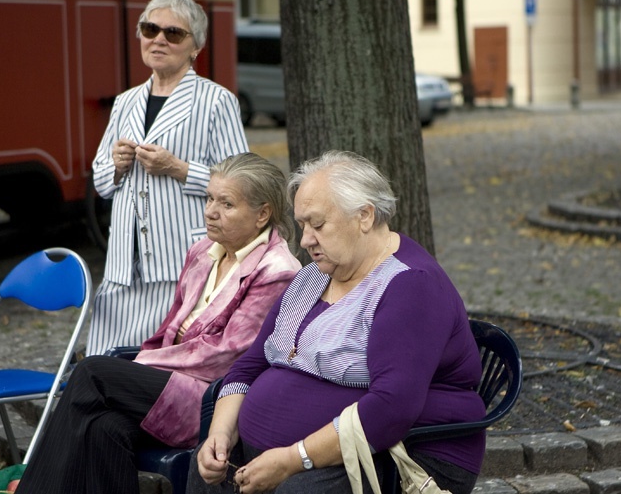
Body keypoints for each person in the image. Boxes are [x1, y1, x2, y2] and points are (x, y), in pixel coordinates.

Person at [188, 150, 486, 494]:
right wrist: (220, 435)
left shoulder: (409, 285)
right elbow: (250, 365)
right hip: (295, 455)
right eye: (302, 225)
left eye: (317, 224)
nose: (305, 240)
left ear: (364, 216)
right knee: (206, 470)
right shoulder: (313, 277)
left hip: (401, 455)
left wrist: (290, 459)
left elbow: (391, 408)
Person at [14, 153, 301, 494]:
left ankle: (33, 488)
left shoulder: (277, 270)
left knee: (91, 372)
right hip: (168, 384)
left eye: (226, 204)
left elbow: (227, 355)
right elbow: (169, 330)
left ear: (262, 214)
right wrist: (144, 361)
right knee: (106, 426)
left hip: (212, 397)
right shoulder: (202, 251)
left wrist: (141, 364)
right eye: (209, 198)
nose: (210, 211)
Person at [87, 0, 249, 355]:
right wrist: (114, 165)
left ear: (195, 47)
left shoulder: (216, 100)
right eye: (150, 29)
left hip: (181, 261)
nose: (158, 39)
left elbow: (241, 184)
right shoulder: (126, 101)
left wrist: (178, 169)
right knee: (105, 359)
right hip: (122, 267)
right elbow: (100, 183)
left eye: (173, 33)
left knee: (158, 364)